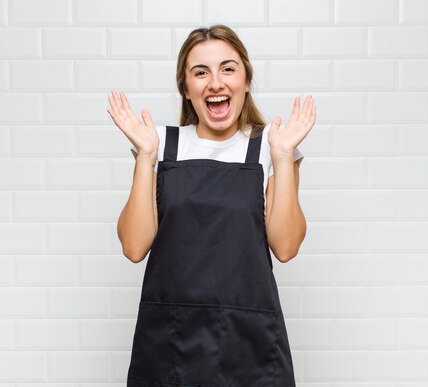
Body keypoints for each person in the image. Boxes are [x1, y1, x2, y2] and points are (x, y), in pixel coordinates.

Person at [107, 24, 315, 387]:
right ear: (186, 89)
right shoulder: (159, 143)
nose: (215, 82)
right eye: (200, 72)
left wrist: (282, 158)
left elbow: (285, 247)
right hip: (170, 343)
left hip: (249, 342)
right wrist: (145, 158)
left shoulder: (272, 144)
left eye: (228, 68)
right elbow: (134, 247)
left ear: (246, 81)